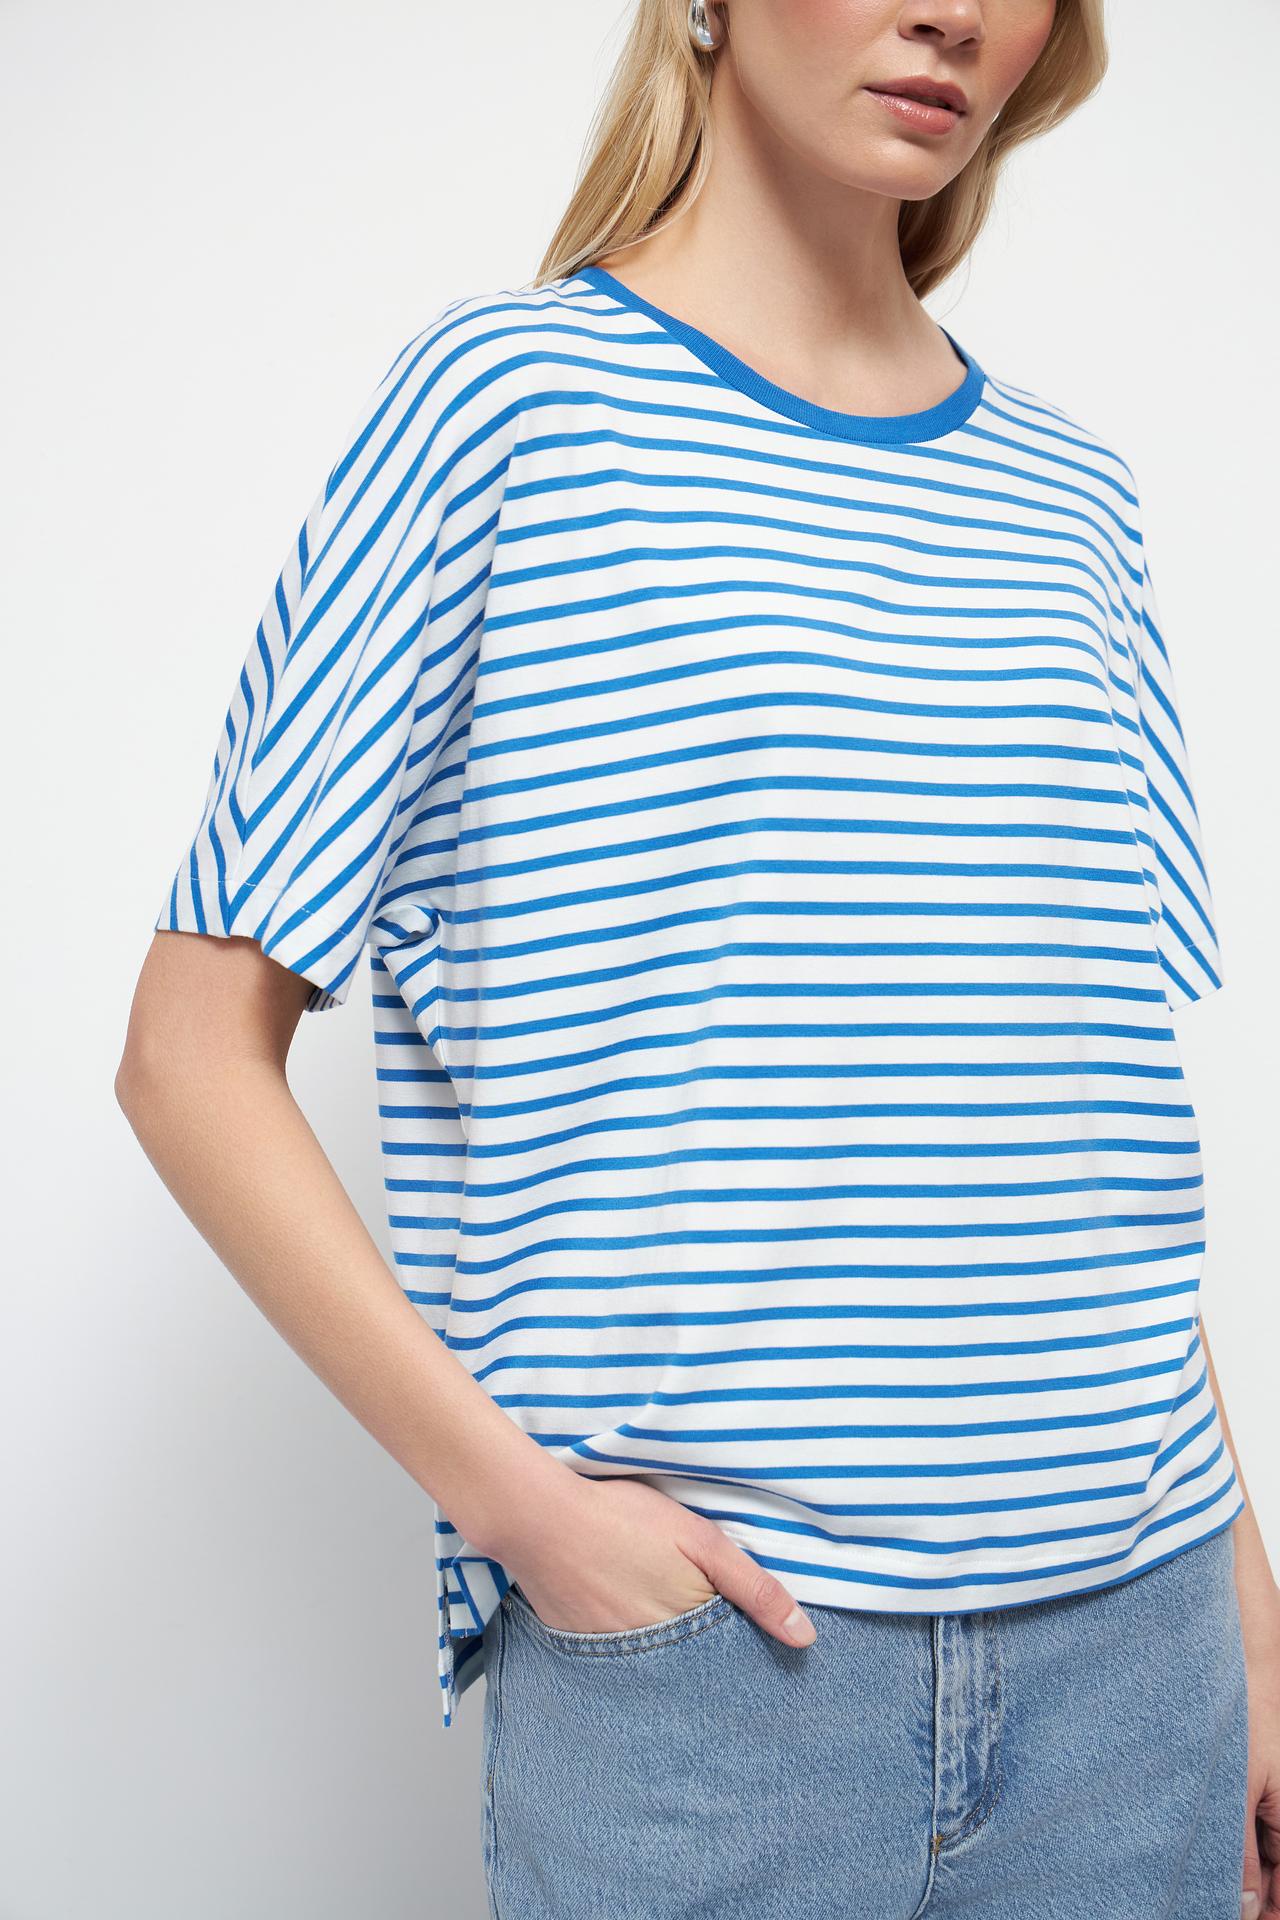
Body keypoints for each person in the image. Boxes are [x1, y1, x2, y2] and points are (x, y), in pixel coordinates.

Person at [116, 0, 1280, 1913]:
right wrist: (526, 1517)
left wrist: (1242, 1598)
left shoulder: (1072, 499)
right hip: (717, 1687)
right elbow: (187, 1054)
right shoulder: (506, 407)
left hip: (1136, 1666)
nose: (955, 14)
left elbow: (1081, 1104)